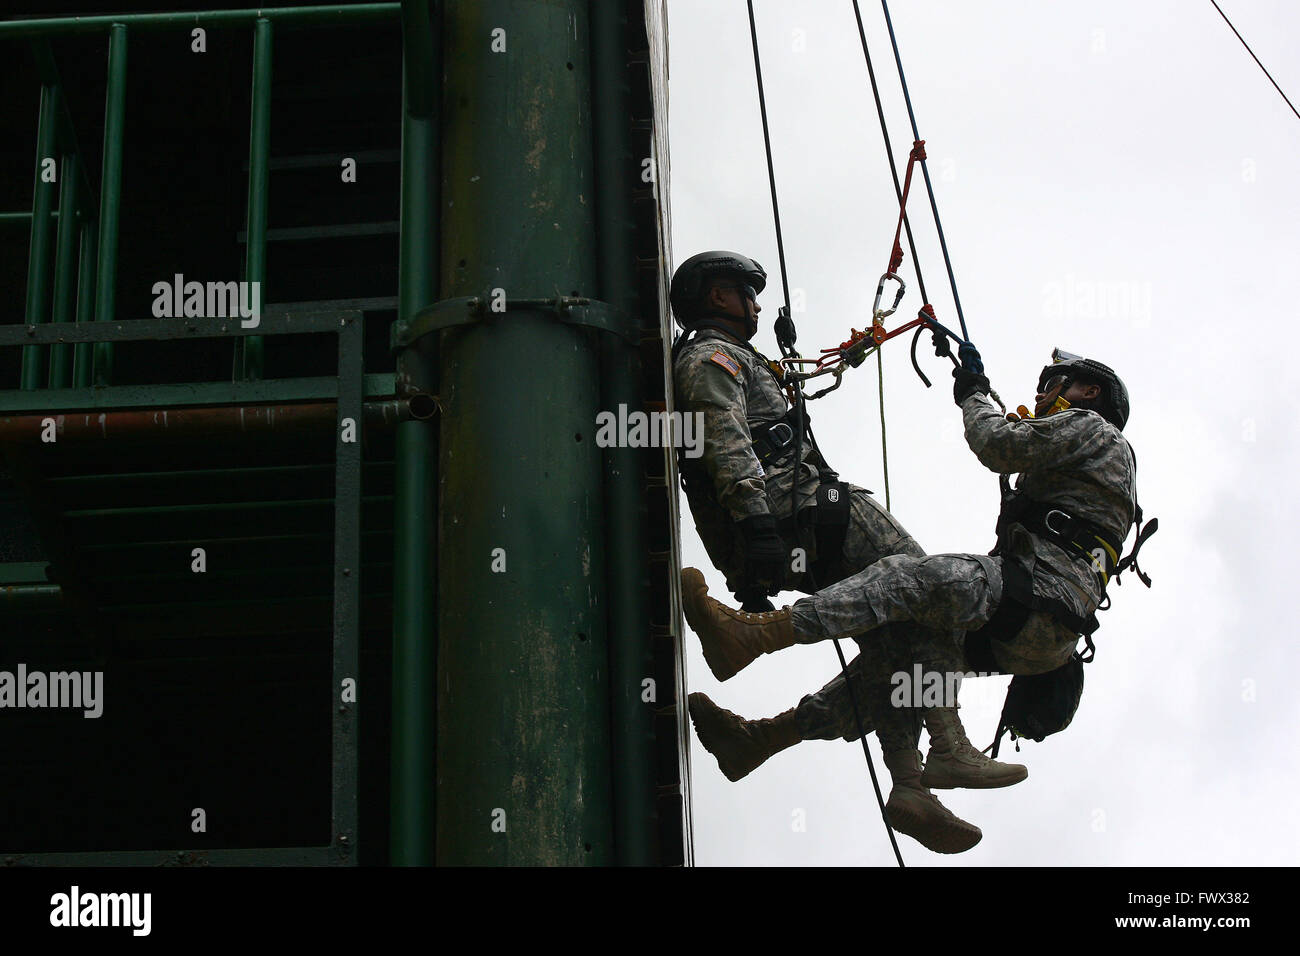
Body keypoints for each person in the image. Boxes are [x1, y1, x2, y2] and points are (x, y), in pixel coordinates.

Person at [682, 342, 1149, 851]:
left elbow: (996, 443)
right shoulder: (1083, 467)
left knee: (904, 579)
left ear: (1090, 392)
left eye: (1054, 381)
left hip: (1038, 597)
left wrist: (973, 393)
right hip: (1042, 629)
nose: (1042, 392)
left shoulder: (1094, 429)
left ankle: (757, 636)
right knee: (897, 654)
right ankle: (786, 749)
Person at [671, 251, 1023, 854]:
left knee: (891, 643)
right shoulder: (711, 355)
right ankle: (946, 743)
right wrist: (754, 519)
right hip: (799, 508)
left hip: (789, 516)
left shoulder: (737, 358)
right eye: (743, 293)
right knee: (926, 589)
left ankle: (899, 782)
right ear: (714, 298)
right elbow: (720, 430)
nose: (756, 303)